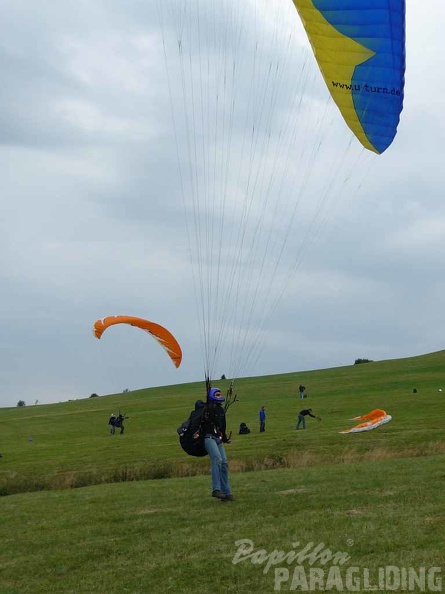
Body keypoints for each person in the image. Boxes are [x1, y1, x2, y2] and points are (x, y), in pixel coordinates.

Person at [201, 387, 234, 501]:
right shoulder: (206, 408)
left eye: (220, 394)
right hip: (208, 438)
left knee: (224, 463)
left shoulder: (220, 410)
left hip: (218, 438)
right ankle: (216, 489)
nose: (220, 396)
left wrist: (225, 439)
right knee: (217, 459)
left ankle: (226, 493)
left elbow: (222, 427)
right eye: (217, 394)